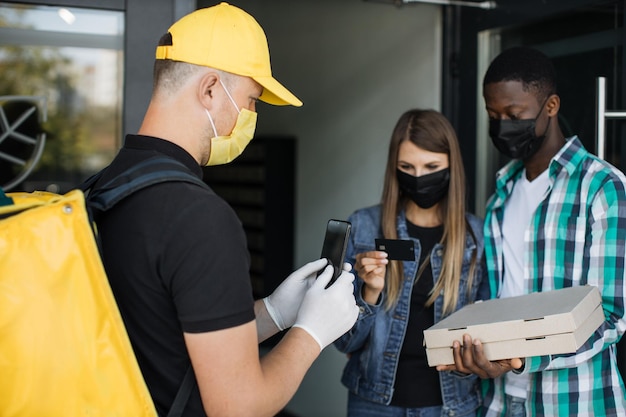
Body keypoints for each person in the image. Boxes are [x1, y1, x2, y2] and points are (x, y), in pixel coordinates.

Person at [89, 3, 359, 417]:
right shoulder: (198, 217)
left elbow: (167, 339)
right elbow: (239, 408)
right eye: (252, 100)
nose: (252, 116)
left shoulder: (105, 186)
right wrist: (311, 334)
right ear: (210, 88)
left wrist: (273, 313)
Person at [441, 46, 626, 417]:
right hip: (496, 402)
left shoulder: (603, 187)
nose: (502, 127)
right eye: (493, 116)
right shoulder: (499, 198)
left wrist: (520, 358)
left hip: (574, 403)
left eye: (514, 114)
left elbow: (610, 315)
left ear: (551, 106)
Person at [334, 109, 489, 417]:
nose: (418, 178)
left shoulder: (477, 237)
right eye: (407, 167)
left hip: (453, 407)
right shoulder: (363, 226)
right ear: (395, 168)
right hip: (374, 405)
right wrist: (370, 293)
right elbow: (344, 342)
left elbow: (488, 333)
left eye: (431, 166)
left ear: (451, 167)